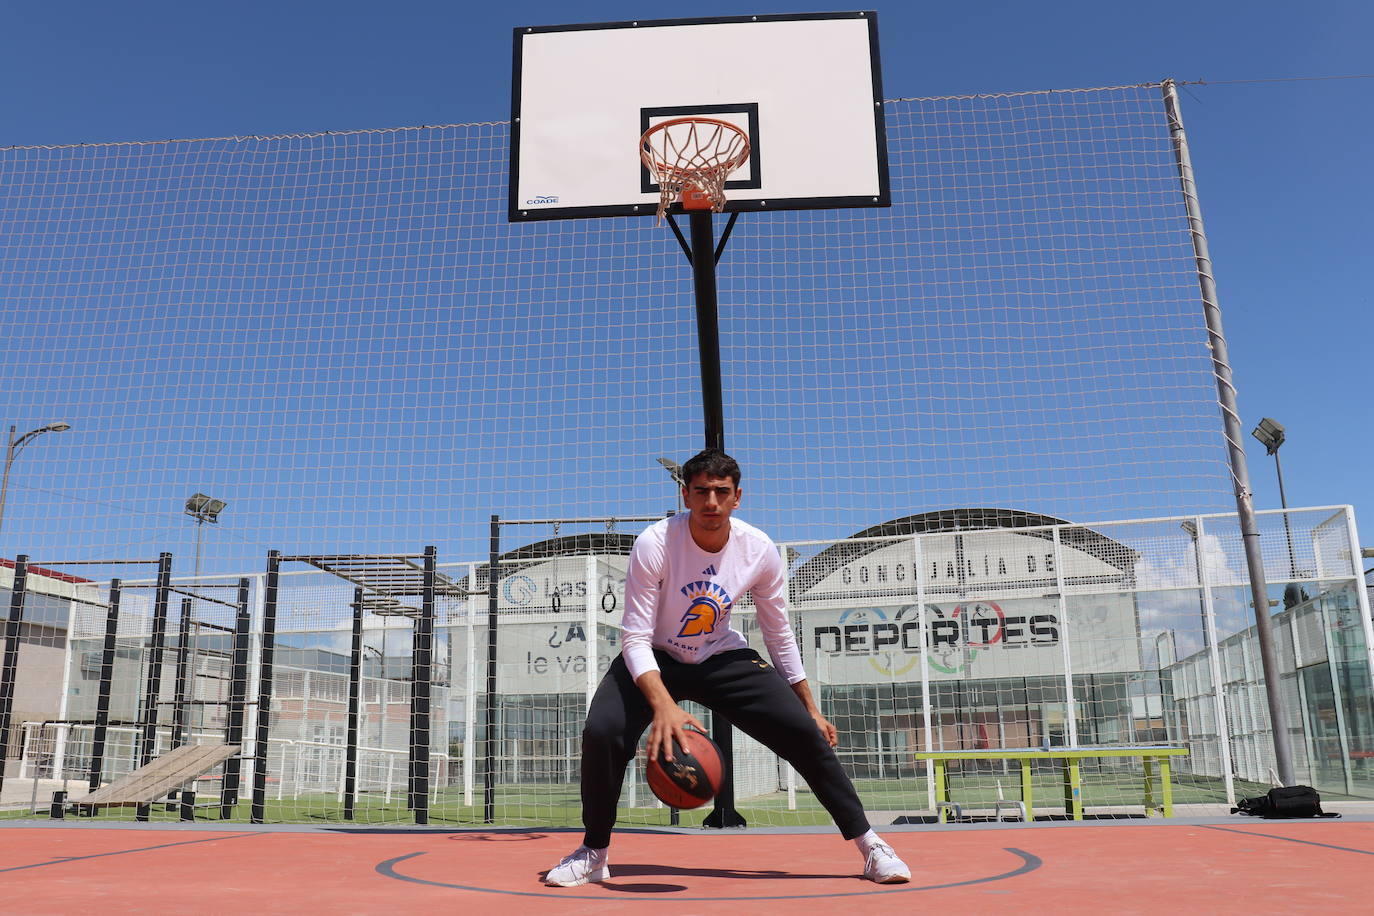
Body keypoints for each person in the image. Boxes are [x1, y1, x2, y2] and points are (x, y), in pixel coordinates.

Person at [545, 448, 911, 887]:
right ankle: (594, 851)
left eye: (721, 492)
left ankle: (870, 845)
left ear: (738, 497)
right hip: (654, 656)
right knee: (602, 732)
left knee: (805, 734)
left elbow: (778, 634)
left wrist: (810, 707)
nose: (711, 502)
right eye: (701, 492)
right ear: (686, 496)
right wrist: (662, 705)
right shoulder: (655, 543)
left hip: (720, 655)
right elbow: (635, 637)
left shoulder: (758, 551)